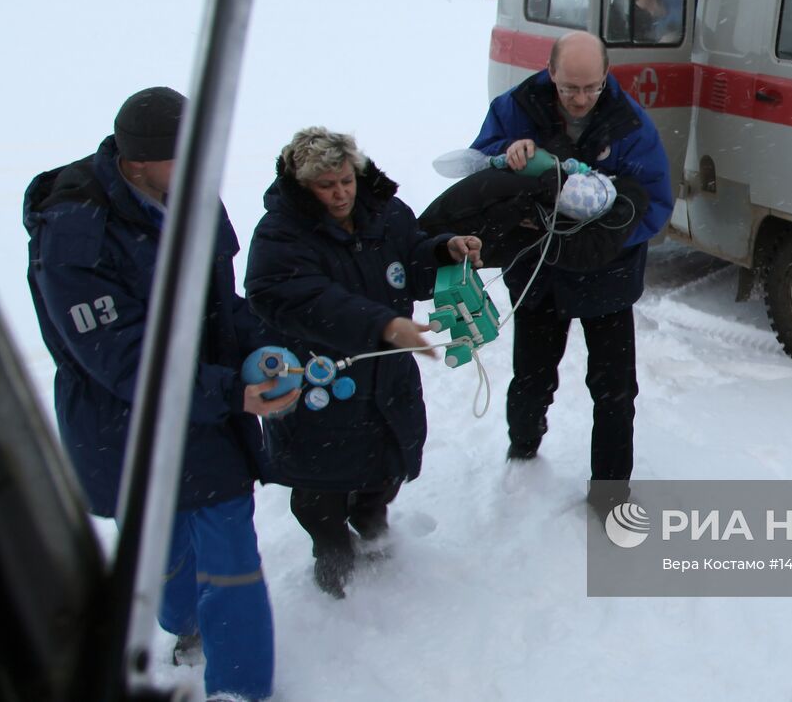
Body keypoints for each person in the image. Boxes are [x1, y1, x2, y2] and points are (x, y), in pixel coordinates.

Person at [24, 86, 293, 702]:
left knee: (229, 547)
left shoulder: (191, 195)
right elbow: (122, 361)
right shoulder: (73, 234)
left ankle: (240, 690)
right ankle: (188, 625)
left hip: (206, 409)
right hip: (126, 422)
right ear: (135, 162)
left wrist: (264, 346)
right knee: (163, 539)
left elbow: (221, 305)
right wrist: (233, 392)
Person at [244, 127, 481, 599]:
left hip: (386, 376)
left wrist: (443, 250)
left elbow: (412, 260)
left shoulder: (385, 213)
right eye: (326, 185)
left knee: (385, 467)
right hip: (322, 385)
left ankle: (373, 525)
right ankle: (333, 565)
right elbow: (304, 298)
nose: (340, 194)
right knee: (319, 494)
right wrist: (381, 324)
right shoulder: (279, 235)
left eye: (346, 181)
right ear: (302, 186)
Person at [470, 30, 672, 515]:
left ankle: (610, 490)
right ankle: (523, 447)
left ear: (606, 77)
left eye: (591, 88)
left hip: (608, 273)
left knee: (615, 390)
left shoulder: (631, 125)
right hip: (539, 271)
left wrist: (600, 233)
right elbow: (477, 164)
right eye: (569, 88)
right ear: (551, 72)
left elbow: (656, 202)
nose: (581, 100)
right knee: (532, 376)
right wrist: (506, 156)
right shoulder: (515, 108)